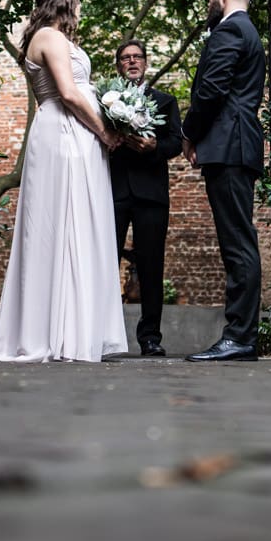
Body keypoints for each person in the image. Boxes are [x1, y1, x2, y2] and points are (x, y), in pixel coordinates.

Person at [0, 0, 128, 363]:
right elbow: (67, 93)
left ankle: (69, 331)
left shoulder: (44, 37)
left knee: (74, 227)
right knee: (62, 226)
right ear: (66, 5)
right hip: (66, 135)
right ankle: (56, 334)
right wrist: (104, 131)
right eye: (77, 6)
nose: (80, 13)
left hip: (69, 133)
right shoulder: (49, 37)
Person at [182, 0, 265, 362]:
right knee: (238, 240)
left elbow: (212, 90)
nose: (208, 2)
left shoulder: (229, 31)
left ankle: (240, 338)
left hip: (229, 146)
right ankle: (241, 335)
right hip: (236, 146)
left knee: (237, 244)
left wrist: (189, 133)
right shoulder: (247, 32)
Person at [108, 39, 183, 357]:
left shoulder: (165, 101)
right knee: (104, 262)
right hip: (112, 191)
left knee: (152, 266)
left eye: (137, 56)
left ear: (146, 63)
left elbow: (175, 143)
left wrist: (155, 148)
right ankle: (100, 334)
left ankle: (150, 337)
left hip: (151, 193)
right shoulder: (104, 101)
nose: (132, 61)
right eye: (125, 58)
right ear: (118, 66)